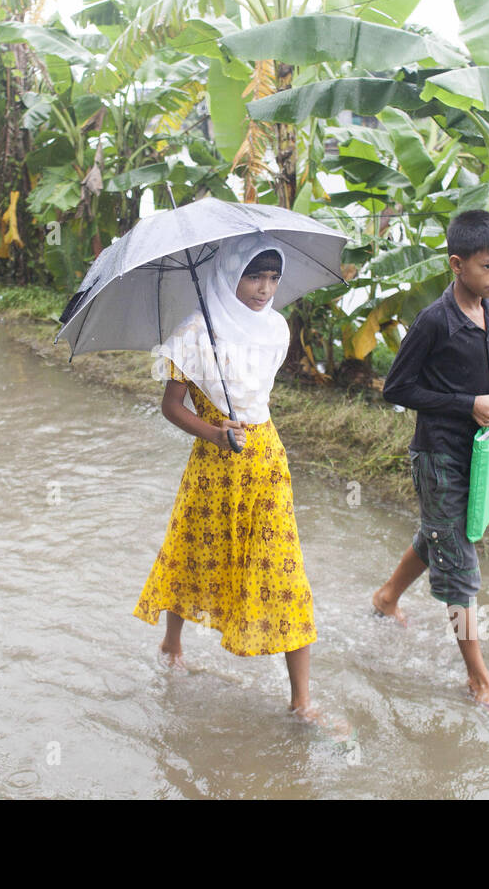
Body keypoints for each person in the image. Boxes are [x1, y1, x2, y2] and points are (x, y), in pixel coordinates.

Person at [133, 236, 321, 719]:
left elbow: (259, 396)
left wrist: (241, 429)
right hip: (215, 466)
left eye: (273, 278)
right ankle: (172, 644)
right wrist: (215, 432)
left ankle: (301, 702)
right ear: (229, 275)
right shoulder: (195, 333)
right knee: (193, 550)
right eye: (253, 276)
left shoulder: (277, 328)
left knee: (285, 572)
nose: (264, 288)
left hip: (266, 463)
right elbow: (171, 406)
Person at [371, 210, 489, 719]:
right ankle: (479, 679)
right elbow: (397, 388)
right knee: (458, 561)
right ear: (457, 264)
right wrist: (465, 405)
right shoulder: (435, 320)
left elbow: (478, 377)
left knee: (439, 533)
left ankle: (388, 597)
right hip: (437, 455)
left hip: (473, 451)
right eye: (488, 266)